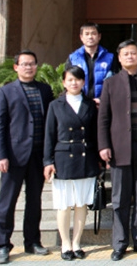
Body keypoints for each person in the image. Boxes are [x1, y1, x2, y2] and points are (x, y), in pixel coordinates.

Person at [97, 40, 137, 261]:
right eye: (125, 54)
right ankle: (120, 243)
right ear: (119, 57)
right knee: (120, 198)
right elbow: (103, 118)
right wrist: (104, 145)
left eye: (133, 53)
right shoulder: (111, 83)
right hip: (119, 148)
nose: (130, 57)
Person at [0, 50, 53, 264]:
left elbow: (50, 122)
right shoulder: (5, 92)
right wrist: (1, 155)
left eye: (32, 64)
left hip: (38, 156)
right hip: (13, 157)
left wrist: (49, 157)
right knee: (7, 203)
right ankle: (2, 245)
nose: (29, 67)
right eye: (25, 64)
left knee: (34, 201)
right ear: (16, 67)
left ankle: (32, 241)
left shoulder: (45, 90)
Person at [43, 66, 100, 261]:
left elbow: (96, 133)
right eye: (70, 79)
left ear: (83, 82)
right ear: (64, 82)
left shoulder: (90, 104)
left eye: (77, 79)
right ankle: (65, 243)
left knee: (81, 203)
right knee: (64, 204)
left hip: (86, 157)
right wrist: (48, 161)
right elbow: (49, 135)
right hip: (63, 158)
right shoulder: (55, 105)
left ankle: (77, 242)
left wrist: (100, 159)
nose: (74, 83)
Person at [66, 22, 116, 103]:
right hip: (80, 102)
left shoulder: (110, 58)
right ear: (81, 37)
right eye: (87, 34)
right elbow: (68, 81)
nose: (90, 37)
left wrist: (101, 99)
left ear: (99, 36)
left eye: (93, 34)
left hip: (102, 103)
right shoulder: (73, 58)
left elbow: (114, 81)